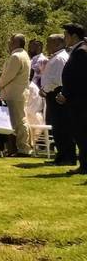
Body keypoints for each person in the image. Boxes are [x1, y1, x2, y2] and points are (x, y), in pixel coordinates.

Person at [0, 34, 32, 156]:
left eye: (10, 41)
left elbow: (7, 76)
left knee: (19, 121)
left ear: (15, 43)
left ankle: (23, 148)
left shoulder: (16, 56)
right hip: (18, 93)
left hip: (14, 94)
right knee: (18, 120)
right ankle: (17, 148)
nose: (8, 44)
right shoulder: (24, 55)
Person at [40, 34, 73, 165]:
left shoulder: (60, 58)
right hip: (52, 93)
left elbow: (58, 80)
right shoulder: (56, 57)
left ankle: (66, 157)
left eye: (49, 43)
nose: (47, 45)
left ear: (59, 43)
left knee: (61, 127)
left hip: (56, 94)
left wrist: (46, 89)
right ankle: (62, 155)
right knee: (57, 127)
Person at [59, 22, 87, 174]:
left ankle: (85, 166)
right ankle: (84, 165)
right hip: (76, 100)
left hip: (80, 101)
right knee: (80, 134)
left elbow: (79, 79)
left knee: (82, 134)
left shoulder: (81, 52)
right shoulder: (78, 50)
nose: (65, 38)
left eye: (66, 35)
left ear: (74, 36)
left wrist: (66, 94)